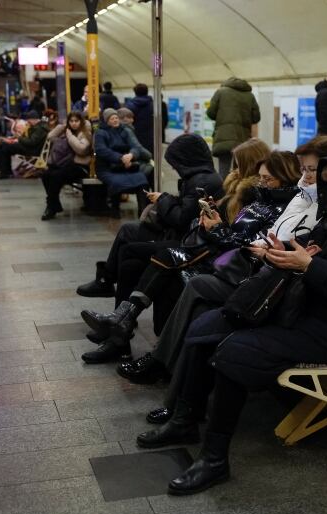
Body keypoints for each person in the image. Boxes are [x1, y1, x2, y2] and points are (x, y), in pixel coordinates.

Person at [136, 147, 327, 495]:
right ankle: (184, 420)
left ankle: (215, 458)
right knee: (204, 326)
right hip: (306, 312)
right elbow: (311, 248)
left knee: (235, 351)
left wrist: (309, 266)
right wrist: (279, 252)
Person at [117, 135, 327, 413]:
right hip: (253, 272)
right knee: (161, 271)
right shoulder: (295, 200)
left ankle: (170, 384)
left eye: (313, 171)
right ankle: (178, 398)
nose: (308, 177)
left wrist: (276, 254)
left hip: (263, 283)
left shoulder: (316, 209)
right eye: (304, 169)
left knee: (189, 286)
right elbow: (268, 241)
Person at [79, 150, 301, 364]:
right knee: (132, 258)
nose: (261, 182)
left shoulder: (276, 206)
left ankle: (122, 322)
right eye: (260, 177)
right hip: (211, 245)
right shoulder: (255, 197)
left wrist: (210, 225)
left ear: (284, 177)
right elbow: (231, 231)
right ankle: (120, 328)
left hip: (226, 260)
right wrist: (213, 222)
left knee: (156, 256)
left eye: (267, 179)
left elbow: (241, 244)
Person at [76, 134, 224, 301]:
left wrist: (163, 199)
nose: (175, 168)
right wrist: (166, 198)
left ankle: (108, 285)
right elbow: (186, 208)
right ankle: (108, 286)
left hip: (183, 239)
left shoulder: (201, 180)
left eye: (176, 164)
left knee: (128, 247)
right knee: (127, 232)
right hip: (180, 234)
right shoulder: (199, 177)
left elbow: (181, 219)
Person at [94, 108, 152, 217]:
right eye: (112, 119)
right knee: (116, 182)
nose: (115, 120)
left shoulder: (124, 130)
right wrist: (120, 158)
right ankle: (115, 209)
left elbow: (135, 147)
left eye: (116, 118)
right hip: (107, 168)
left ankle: (143, 211)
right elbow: (101, 150)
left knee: (142, 180)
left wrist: (131, 155)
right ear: (106, 121)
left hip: (126, 165)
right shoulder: (100, 133)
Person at [40, 112, 92, 220]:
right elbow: (50, 137)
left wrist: (70, 137)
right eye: (71, 121)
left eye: (76, 121)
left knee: (56, 176)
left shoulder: (85, 132)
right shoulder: (65, 130)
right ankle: (54, 204)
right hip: (65, 165)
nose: (73, 124)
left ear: (81, 121)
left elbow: (82, 149)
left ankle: (51, 207)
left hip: (80, 166)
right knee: (46, 175)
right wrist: (62, 127)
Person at [207, 77, 261, 178]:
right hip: (242, 139)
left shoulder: (220, 92)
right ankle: (238, 192)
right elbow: (256, 118)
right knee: (240, 171)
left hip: (223, 137)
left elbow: (211, 113)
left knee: (223, 169)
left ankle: (223, 192)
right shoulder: (250, 96)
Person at [0, 110, 48, 179]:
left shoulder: (40, 129)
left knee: (5, 146)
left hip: (32, 150)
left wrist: (19, 138)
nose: (28, 121)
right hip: (31, 148)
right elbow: (30, 140)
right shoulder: (38, 127)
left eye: (29, 119)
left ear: (34, 119)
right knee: (4, 145)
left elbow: (31, 142)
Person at [125, 83, 154, 156]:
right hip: (150, 135)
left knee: (136, 155)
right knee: (150, 156)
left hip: (134, 135)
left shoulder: (130, 105)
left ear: (135, 92)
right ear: (147, 92)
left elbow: (125, 122)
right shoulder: (153, 105)